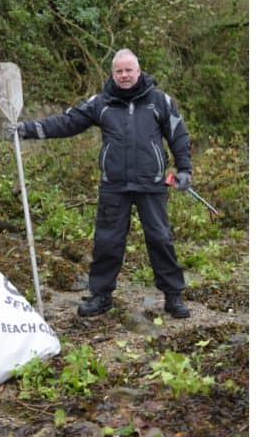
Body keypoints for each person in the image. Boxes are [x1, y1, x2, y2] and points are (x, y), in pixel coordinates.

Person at [10, 49, 193, 318]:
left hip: (152, 185)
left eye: (129, 70)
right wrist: (28, 129)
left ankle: (173, 296)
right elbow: (67, 122)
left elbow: (179, 135)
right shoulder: (101, 103)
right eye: (119, 71)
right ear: (112, 74)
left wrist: (185, 169)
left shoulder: (160, 101)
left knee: (160, 239)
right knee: (107, 241)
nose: (124, 75)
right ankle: (101, 296)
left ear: (138, 71)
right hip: (114, 186)